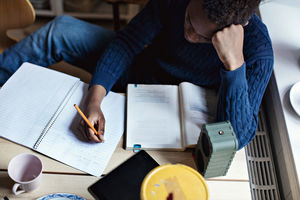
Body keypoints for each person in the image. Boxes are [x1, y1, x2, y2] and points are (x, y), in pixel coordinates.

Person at [0, 0, 273, 149]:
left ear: (238, 28)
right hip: (141, 72)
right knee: (59, 30)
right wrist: (93, 99)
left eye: (205, 38)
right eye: (189, 21)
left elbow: (237, 137)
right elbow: (127, 41)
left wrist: (233, 64)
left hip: (184, 113)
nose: (189, 36)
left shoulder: (258, 49)